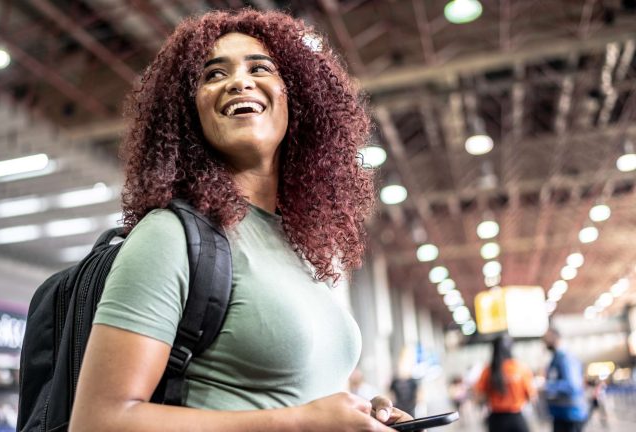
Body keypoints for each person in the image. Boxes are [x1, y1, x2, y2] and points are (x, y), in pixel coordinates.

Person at [68, 9, 414, 432]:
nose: (238, 81)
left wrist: (358, 415)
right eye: (213, 74)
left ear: (296, 97)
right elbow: (97, 422)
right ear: (188, 112)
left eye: (260, 67)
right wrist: (302, 423)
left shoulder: (298, 246)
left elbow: (287, 397)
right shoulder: (170, 236)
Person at [474, 334, 536, 432]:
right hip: (516, 419)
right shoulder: (520, 368)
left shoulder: (488, 370)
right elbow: (531, 397)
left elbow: (479, 397)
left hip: (496, 421)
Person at [543, 328, 588, 432]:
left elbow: (573, 385)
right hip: (560, 414)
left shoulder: (566, 359)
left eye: (547, 339)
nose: (545, 343)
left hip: (571, 415)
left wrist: (547, 386)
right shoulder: (555, 359)